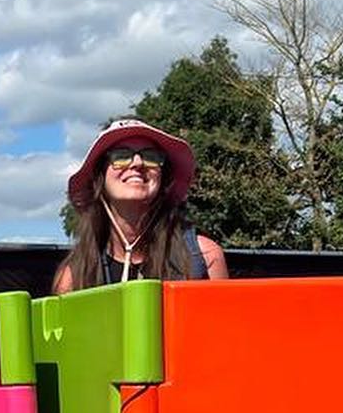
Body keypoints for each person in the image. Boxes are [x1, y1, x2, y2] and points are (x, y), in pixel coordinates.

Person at [52, 119, 228, 293]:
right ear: (100, 177)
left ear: (163, 178)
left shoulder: (205, 257)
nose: (137, 163)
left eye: (150, 157)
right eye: (121, 156)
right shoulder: (72, 278)